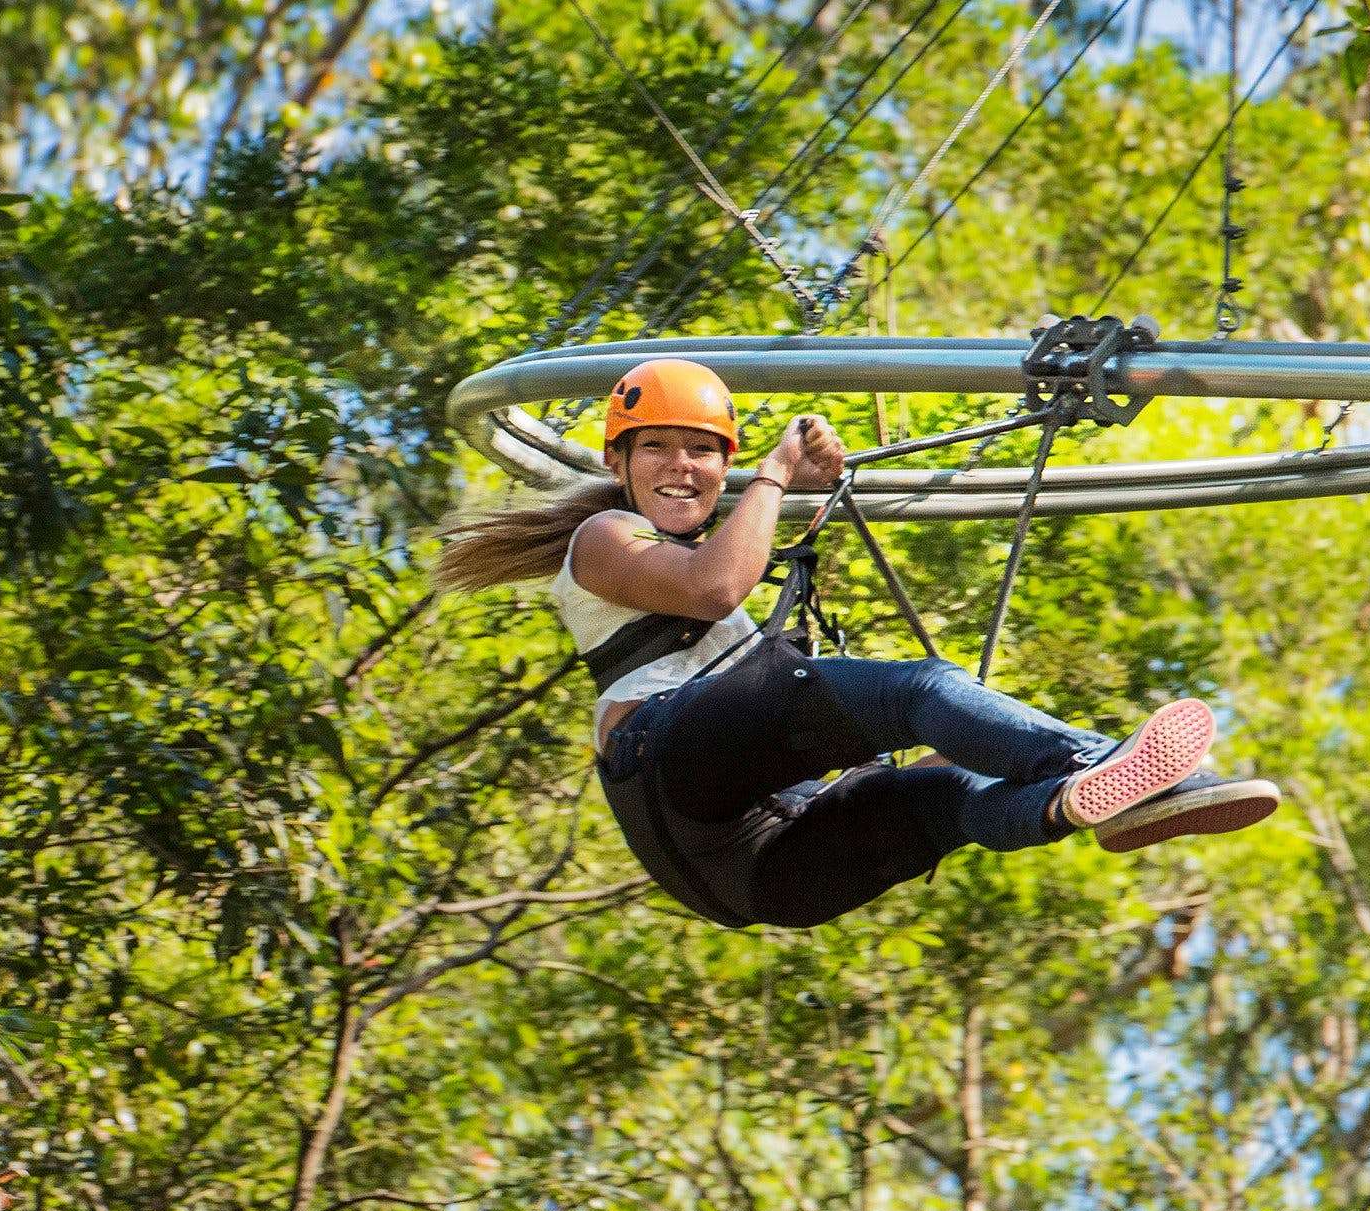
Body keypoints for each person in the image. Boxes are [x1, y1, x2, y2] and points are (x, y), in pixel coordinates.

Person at [434, 357, 1278, 930]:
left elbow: (721, 590)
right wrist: (774, 474)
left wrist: (784, 481)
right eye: (656, 448)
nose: (680, 468)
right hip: (671, 769)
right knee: (916, 692)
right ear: (619, 460)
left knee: (951, 796)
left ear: (716, 465)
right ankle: (1110, 762)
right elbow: (714, 590)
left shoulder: (697, 538)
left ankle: (1073, 801)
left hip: (764, 879)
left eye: (701, 452)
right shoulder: (604, 538)